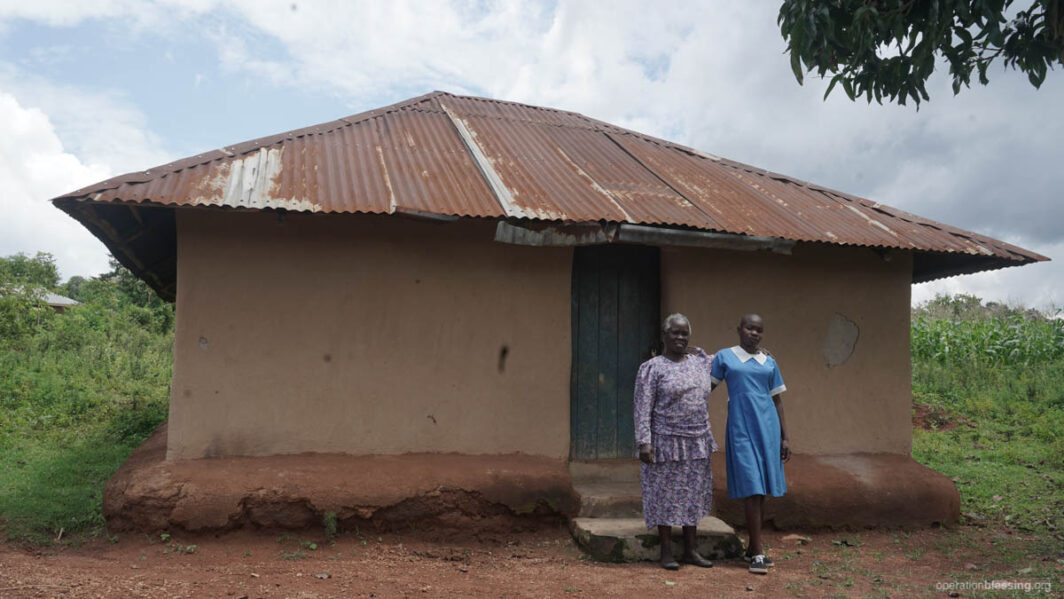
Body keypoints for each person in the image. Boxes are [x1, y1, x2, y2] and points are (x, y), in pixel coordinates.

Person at [633, 313, 717, 570]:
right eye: (675, 333)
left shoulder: (700, 363)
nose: (680, 337)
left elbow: (731, 360)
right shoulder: (652, 368)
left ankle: (692, 550)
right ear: (664, 336)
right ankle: (666, 551)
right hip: (665, 441)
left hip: (696, 440)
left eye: (684, 333)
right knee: (663, 495)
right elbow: (642, 406)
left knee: (692, 494)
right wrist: (644, 442)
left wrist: (760, 352)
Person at [710, 313, 790, 575]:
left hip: (768, 429)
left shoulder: (769, 361)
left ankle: (751, 547)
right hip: (741, 428)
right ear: (739, 329)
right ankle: (757, 552)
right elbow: (705, 386)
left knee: (761, 488)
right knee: (752, 486)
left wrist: (785, 436)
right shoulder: (725, 357)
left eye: (759, 330)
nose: (754, 333)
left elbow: (777, 400)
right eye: (749, 328)